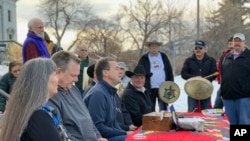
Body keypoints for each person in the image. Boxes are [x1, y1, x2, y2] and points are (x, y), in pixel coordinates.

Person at [0, 58, 68, 141]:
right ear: (42, 79)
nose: (59, 78)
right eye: (55, 74)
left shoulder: (27, 112)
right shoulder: (38, 116)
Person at [47, 50, 107, 141]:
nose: (76, 80)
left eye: (77, 75)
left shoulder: (74, 90)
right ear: (58, 72)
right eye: (73, 75)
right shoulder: (50, 96)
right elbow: (61, 134)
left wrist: (98, 137)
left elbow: (88, 120)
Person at [84, 57, 132, 141]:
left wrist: (126, 132)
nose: (120, 72)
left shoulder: (110, 92)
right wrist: (125, 133)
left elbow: (114, 125)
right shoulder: (98, 94)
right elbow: (98, 128)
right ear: (105, 72)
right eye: (117, 69)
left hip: (111, 136)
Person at [138, 35, 174, 111]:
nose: (154, 47)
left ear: (158, 47)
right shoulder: (144, 58)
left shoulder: (164, 56)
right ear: (149, 47)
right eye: (152, 45)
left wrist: (171, 84)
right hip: (149, 88)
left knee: (163, 109)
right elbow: (139, 72)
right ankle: (151, 122)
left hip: (163, 87)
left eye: (156, 45)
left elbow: (169, 71)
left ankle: (164, 122)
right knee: (150, 109)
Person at [221, 33, 250, 125]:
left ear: (244, 43)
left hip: (243, 97)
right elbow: (223, 75)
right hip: (228, 97)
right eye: (235, 41)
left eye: (239, 41)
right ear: (232, 42)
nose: (237, 43)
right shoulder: (226, 57)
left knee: (243, 122)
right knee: (230, 123)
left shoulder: (248, 56)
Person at [181, 40, 217, 112]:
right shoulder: (189, 60)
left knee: (205, 112)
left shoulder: (211, 60)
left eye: (200, 48)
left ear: (204, 49)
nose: (198, 50)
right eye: (196, 48)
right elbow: (183, 74)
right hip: (192, 90)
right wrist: (195, 78)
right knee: (192, 111)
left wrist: (203, 80)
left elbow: (214, 74)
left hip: (205, 90)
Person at [213, 36, 233, 109]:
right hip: (224, 84)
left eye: (232, 44)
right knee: (217, 106)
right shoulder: (224, 55)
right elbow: (220, 69)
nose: (231, 46)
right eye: (229, 44)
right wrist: (220, 80)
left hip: (237, 87)